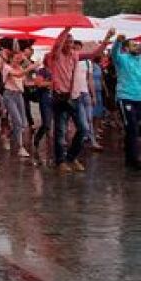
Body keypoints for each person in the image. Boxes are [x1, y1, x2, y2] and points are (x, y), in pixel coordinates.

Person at [48, 27, 115, 173]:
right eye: (67, 41)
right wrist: (66, 29)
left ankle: (71, 158)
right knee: (60, 131)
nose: (69, 44)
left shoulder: (75, 55)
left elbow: (93, 54)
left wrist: (106, 38)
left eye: (71, 42)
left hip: (73, 97)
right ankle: (60, 162)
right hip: (59, 97)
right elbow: (57, 44)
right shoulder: (55, 55)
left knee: (84, 129)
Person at [111, 34, 141, 169]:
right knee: (132, 128)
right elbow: (113, 53)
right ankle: (133, 160)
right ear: (127, 49)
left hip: (139, 98)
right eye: (133, 45)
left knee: (134, 130)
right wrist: (117, 41)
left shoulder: (140, 60)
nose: (137, 46)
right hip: (125, 97)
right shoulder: (122, 59)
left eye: (137, 45)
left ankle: (130, 157)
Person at [1, 50, 38, 158]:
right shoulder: (6, 67)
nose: (18, 61)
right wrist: (30, 67)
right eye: (16, 59)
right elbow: (17, 75)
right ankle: (20, 148)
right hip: (9, 95)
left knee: (23, 123)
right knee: (17, 120)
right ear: (11, 58)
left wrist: (40, 83)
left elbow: (25, 82)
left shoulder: (21, 68)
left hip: (19, 95)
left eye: (19, 59)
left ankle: (7, 136)